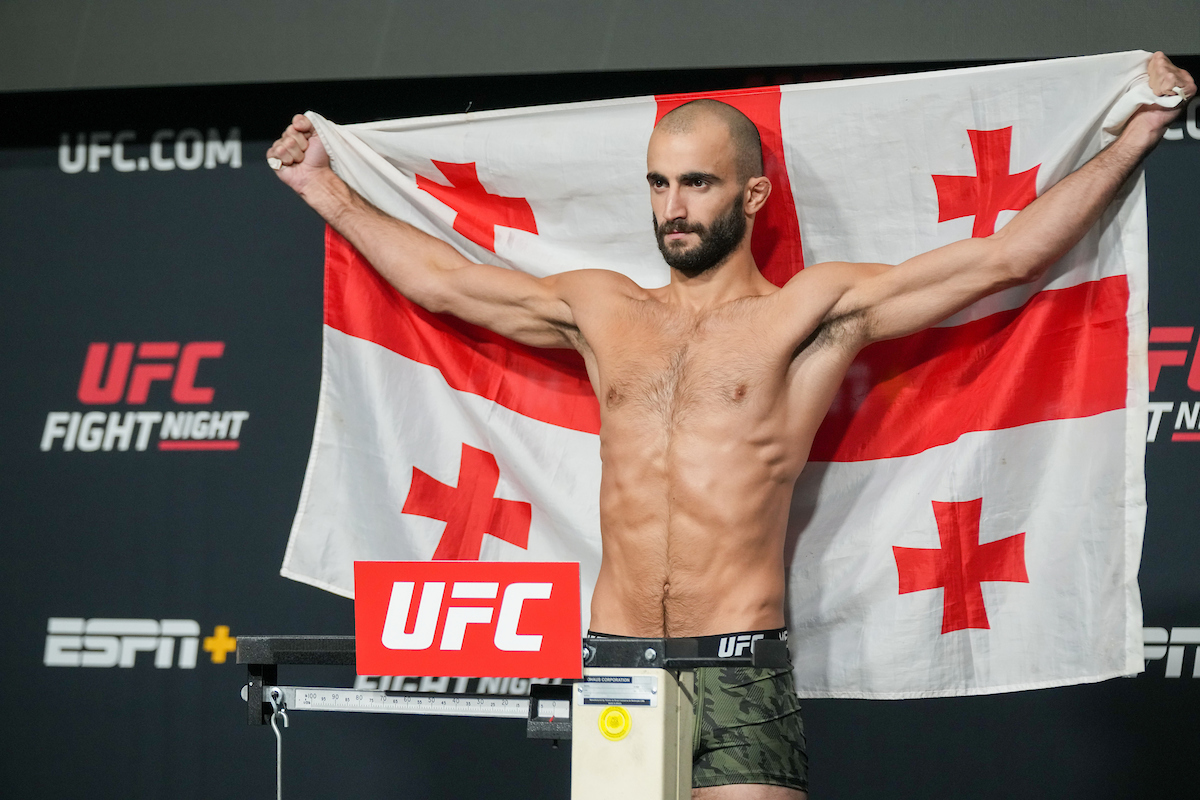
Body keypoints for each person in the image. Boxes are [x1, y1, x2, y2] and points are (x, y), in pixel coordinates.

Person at [268, 53, 1194, 799]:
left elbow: (1007, 257)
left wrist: (1139, 130)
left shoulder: (810, 313)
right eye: (659, 184)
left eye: (698, 184)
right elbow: (445, 283)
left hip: (739, 663)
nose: (672, 208)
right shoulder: (602, 309)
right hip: (618, 664)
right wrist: (324, 190)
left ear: (751, 196)